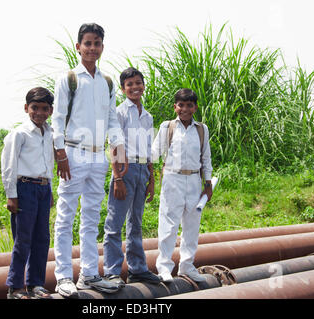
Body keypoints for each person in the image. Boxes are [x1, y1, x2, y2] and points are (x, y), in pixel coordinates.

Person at [51, 22, 127, 298]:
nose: (92, 48)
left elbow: (110, 121)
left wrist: (118, 150)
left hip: (98, 156)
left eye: (97, 43)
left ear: (102, 47)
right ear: (78, 46)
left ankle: (88, 274)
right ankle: (62, 277)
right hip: (73, 152)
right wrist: (60, 153)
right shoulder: (69, 78)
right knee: (65, 216)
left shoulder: (107, 82)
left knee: (92, 216)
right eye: (88, 43)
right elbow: (57, 118)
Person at [102, 67, 161, 287]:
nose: (135, 87)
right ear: (123, 88)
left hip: (141, 170)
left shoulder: (147, 116)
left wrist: (151, 179)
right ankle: (112, 271)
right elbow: (114, 145)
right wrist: (117, 177)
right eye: (129, 84)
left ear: (143, 85)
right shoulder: (119, 112)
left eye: (138, 83)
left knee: (136, 222)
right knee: (115, 222)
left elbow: (148, 149)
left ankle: (137, 269)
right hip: (124, 170)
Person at [152, 88, 213, 283]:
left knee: (192, 225)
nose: (184, 109)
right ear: (175, 106)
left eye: (189, 105)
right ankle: (164, 266)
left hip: (194, 181)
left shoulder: (201, 129)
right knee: (168, 224)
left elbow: (206, 157)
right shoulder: (167, 127)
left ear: (195, 107)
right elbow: (154, 153)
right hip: (172, 179)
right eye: (181, 105)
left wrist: (208, 183)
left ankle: (187, 266)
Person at [1, 87, 55, 299]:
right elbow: (9, 165)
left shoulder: (49, 132)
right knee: (23, 239)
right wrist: (11, 194)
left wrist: (49, 188)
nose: (39, 112)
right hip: (24, 187)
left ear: (50, 110)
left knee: (42, 237)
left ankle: (36, 283)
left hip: (43, 187)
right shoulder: (19, 134)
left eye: (44, 108)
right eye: (35, 108)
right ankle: (15, 286)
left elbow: (48, 161)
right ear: (26, 108)